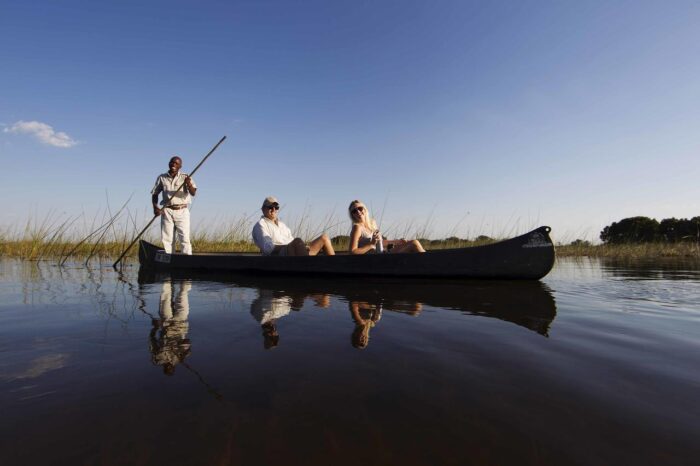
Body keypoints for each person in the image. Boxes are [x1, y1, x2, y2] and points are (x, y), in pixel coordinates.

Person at [252, 196, 335, 256]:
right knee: (297, 242)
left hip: (295, 252)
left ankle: (336, 269)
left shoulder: (282, 225)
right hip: (278, 257)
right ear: (263, 209)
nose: (274, 209)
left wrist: (302, 247)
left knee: (324, 238)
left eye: (276, 207)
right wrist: (293, 246)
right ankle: (308, 270)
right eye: (270, 207)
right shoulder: (261, 225)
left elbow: (291, 240)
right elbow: (268, 249)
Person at [151, 156, 197, 255]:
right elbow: (155, 194)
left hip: (182, 210)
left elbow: (193, 193)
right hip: (166, 211)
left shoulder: (186, 177)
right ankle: (169, 259)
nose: (173, 165)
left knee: (184, 237)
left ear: (180, 166)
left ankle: (186, 259)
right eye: (172, 162)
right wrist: (155, 208)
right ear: (169, 163)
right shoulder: (162, 177)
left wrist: (188, 184)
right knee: (167, 238)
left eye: (176, 163)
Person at [347, 200, 426, 254]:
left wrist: (398, 241)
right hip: (374, 259)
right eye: (354, 211)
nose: (358, 211)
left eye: (360, 208)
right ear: (352, 215)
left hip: (383, 252)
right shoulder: (357, 228)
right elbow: (352, 251)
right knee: (414, 244)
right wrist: (371, 244)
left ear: (365, 209)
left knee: (413, 242)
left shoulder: (372, 223)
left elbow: (380, 242)